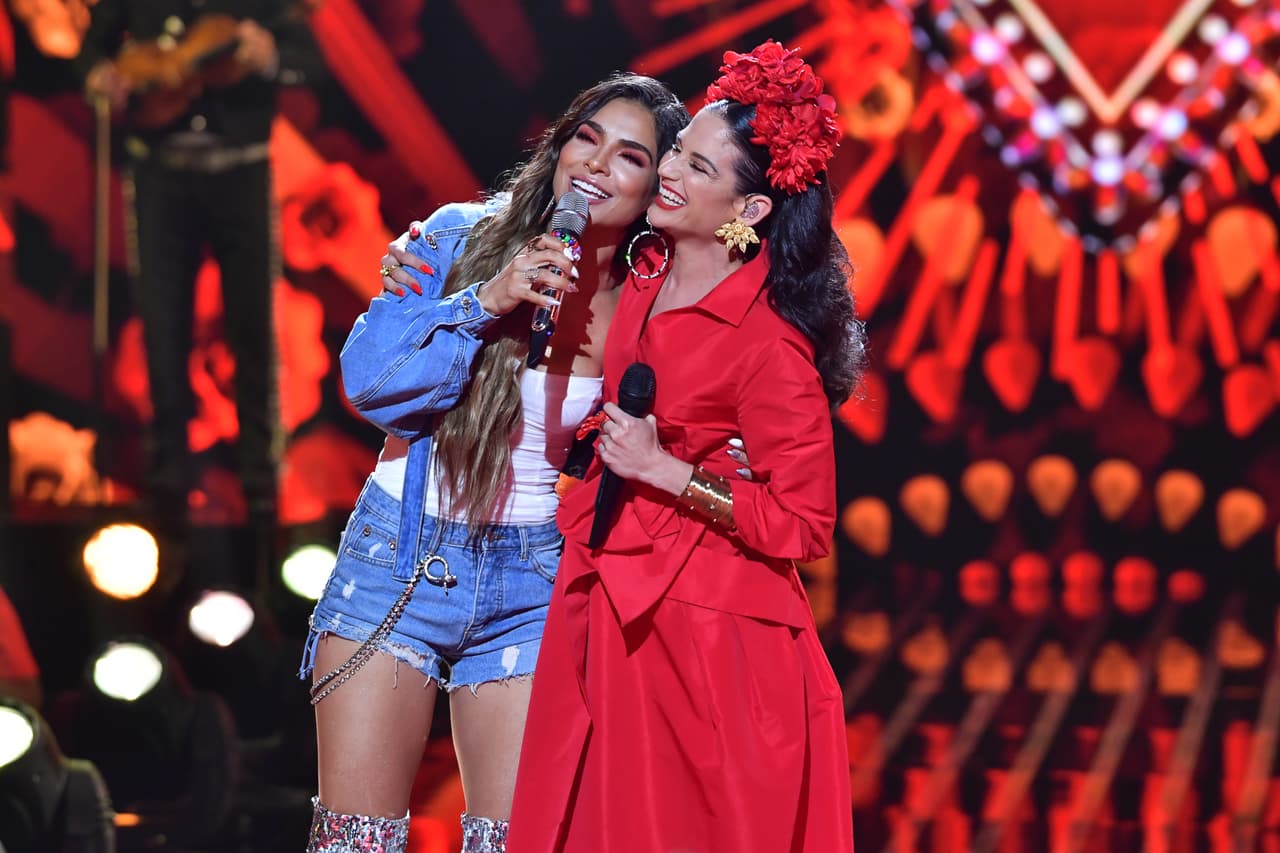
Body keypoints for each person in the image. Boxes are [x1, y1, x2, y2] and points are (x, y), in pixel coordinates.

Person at [299, 75, 689, 853]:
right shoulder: (455, 236)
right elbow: (368, 382)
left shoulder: (646, 303)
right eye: (587, 137)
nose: (598, 164)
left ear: (654, 187)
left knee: (515, 840)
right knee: (356, 840)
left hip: (532, 579)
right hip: (398, 557)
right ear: (558, 143)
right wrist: (487, 298)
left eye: (629, 156)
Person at [507, 41, 865, 852]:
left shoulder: (770, 344)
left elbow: (807, 525)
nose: (670, 172)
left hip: (712, 635)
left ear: (751, 210)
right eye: (678, 151)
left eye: (701, 169)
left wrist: (672, 473)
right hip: (610, 586)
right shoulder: (645, 266)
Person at [74, 2, 319, 533]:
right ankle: (168, 486)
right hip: (161, 175)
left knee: (252, 330)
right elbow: (90, 50)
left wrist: (272, 55)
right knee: (162, 331)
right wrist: (100, 77)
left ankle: (260, 488)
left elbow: (307, 56)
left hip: (242, 174)